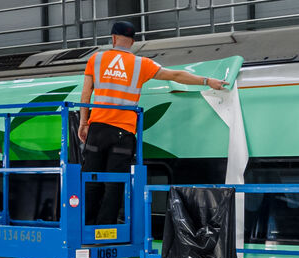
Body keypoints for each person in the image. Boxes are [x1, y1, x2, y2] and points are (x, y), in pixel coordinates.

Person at [78, 21, 228, 225]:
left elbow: (85, 94)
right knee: (114, 184)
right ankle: (105, 231)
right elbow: (176, 75)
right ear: (133, 41)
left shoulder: (96, 59)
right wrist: (207, 81)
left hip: (98, 130)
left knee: (91, 180)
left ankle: (84, 225)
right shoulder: (141, 64)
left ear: (113, 38)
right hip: (123, 134)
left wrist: (83, 123)